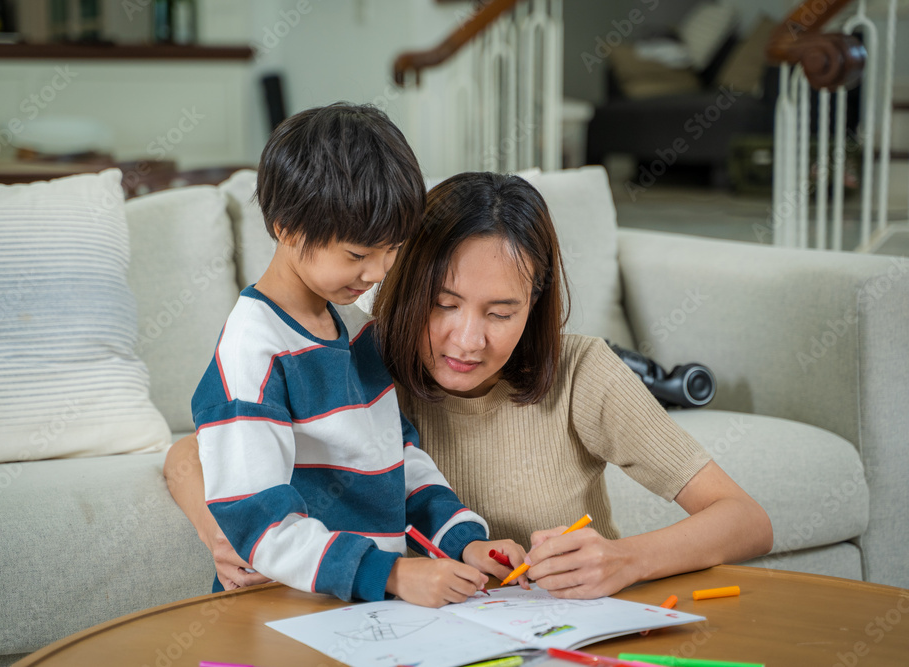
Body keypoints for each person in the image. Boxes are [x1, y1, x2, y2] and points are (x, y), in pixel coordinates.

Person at [167, 171, 773, 601]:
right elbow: (194, 449)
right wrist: (225, 531)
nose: (465, 341)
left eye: (500, 313)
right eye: (444, 303)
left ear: (534, 307)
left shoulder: (583, 372)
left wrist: (628, 559)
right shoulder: (366, 362)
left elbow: (745, 520)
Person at [188, 106, 525, 608]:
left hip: (366, 608)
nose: (377, 272)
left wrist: (465, 541)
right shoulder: (252, 352)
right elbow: (259, 524)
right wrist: (392, 574)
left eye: (391, 250)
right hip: (283, 608)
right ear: (287, 228)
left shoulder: (358, 329)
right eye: (357, 254)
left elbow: (396, 460)